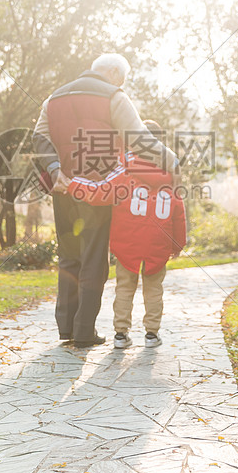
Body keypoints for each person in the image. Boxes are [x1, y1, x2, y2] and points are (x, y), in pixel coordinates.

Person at [33, 54, 176, 347]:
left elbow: (39, 139)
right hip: (99, 190)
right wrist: (171, 160)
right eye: (121, 78)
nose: (121, 84)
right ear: (112, 72)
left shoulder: (53, 98)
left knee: (69, 256)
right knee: (94, 260)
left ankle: (66, 329)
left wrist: (55, 170)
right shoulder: (113, 96)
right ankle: (85, 331)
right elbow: (139, 139)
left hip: (63, 190)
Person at [66, 121, 187, 349]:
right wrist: (177, 245)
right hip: (157, 244)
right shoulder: (171, 176)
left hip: (126, 243)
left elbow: (99, 193)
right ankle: (152, 334)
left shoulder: (124, 171)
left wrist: (71, 185)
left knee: (124, 287)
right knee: (154, 289)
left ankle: (121, 334)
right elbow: (178, 213)